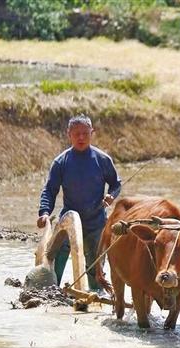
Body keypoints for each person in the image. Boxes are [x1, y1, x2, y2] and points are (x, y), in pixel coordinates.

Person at [37, 114, 121, 292]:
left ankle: (95, 297)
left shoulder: (102, 160)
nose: (81, 137)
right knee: (57, 256)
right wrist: (44, 212)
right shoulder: (61, 162)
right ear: (69, 135)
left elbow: (116, 184)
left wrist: (111, 196)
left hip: (96, 221)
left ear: (92, 133)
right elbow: (50, 190)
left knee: (95, 267)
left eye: (85, 133)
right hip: (68, 220)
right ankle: (52, 292)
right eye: (77, 134)